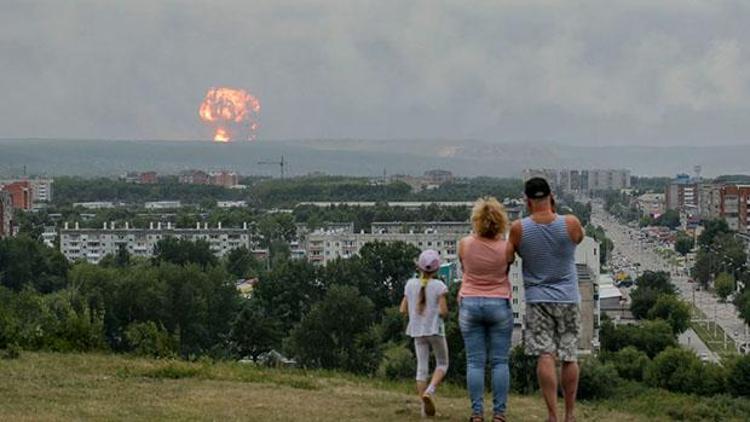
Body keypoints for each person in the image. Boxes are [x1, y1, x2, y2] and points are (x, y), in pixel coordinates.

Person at [508, 177, 585, 422]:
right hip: (568, 298)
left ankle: (552, 414)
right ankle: (569, 414)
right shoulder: (570, 223)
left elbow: (510, 255)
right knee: (570, 355)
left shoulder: (519, 228)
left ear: (527, 200)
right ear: (551, 196)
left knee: (545, 355)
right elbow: (579, 238)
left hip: (537, 299)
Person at [458, 197, 515, 422]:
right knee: (500, 361)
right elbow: (506, 270)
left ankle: (477, 413)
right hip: (499, 303)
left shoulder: (465, 244)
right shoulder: (506, 247)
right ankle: (499, 414)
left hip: (470, 303)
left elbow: (464, 268)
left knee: (475, 362)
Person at [400, 249, 449, 417]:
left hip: (417, 331)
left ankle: (424, 410)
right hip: (435, 329)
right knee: (442, 363)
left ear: (418, 267)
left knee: (421, 369)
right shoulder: (440, 286)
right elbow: (443, 311)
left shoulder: (410, 284)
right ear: (436, 270)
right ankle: (430, 390)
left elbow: (402, 309)